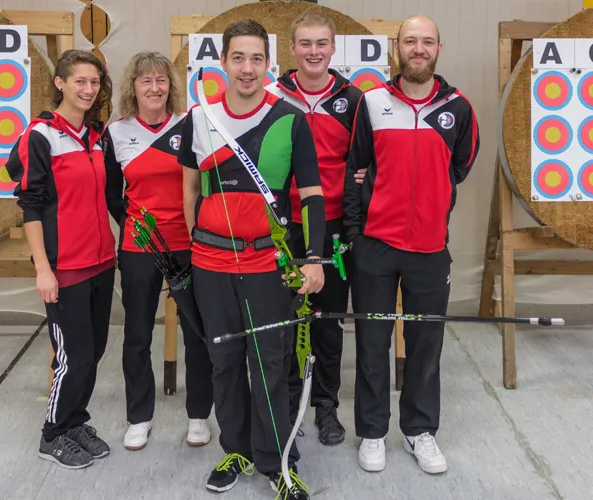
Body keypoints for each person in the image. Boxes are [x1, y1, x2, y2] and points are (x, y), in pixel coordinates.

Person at [178, 19, 326, 499]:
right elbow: (189, 190)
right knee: (223, 361)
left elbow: (312, 195)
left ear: (269, 64)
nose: (247, 68)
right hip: (211, 265)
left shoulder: (290, 118)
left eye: (256, 59)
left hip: (267, 264)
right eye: (237, 58)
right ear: (221, 62)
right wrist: (197, 244)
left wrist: (315, 258)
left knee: (270, 362)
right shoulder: (199, 118)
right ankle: (236, 449)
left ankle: (277, 462)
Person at [343, 15, 480, 475]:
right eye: (410, 41)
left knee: (426, 343)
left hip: (428, 248)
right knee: (372, 340)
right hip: (375, 248)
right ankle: (373, 433)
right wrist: (357, 236)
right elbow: (356, 168)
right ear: (396, 48)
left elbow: (458, 167)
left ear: (439, 48)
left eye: (426, 42)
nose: (418, 49)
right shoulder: (372, 102)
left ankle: (420, 431)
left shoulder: (459, 108)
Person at [5, 49, 116, 470]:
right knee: (73, 357)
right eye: (79, 82)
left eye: (94, 82)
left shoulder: (95, 135)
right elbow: (30, 205)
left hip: (101, 264)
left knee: (95, 350)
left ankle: (75, 422)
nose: (88, 90)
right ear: (60, 83)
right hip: (63, 269)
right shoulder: (40, 135)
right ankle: (52, 434)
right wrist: (43, 269)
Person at [103, 51, 214, 451]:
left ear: (171, 86)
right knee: (136, 334)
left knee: (197, 333)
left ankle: (199, 416)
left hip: (188, 243)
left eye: (161, 80)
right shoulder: (115, 132)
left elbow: (204, 185)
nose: (154, 88)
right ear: (133, 87)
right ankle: (139, 417)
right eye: (146, 80)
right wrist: (136, 222)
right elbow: (112, 194)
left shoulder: (191, 125)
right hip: (139, 246)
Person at [266, 10, 363, 447]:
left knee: (327, 320)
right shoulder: (271, 96)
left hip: (334, 226)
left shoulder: (353, 98)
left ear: (333, 48)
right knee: (283, 317)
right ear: (292, 48)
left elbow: (366, 160)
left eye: (321, 43)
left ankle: (326, 406)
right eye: (305, 44)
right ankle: (288, 404)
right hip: (283, 225)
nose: (313, 52)